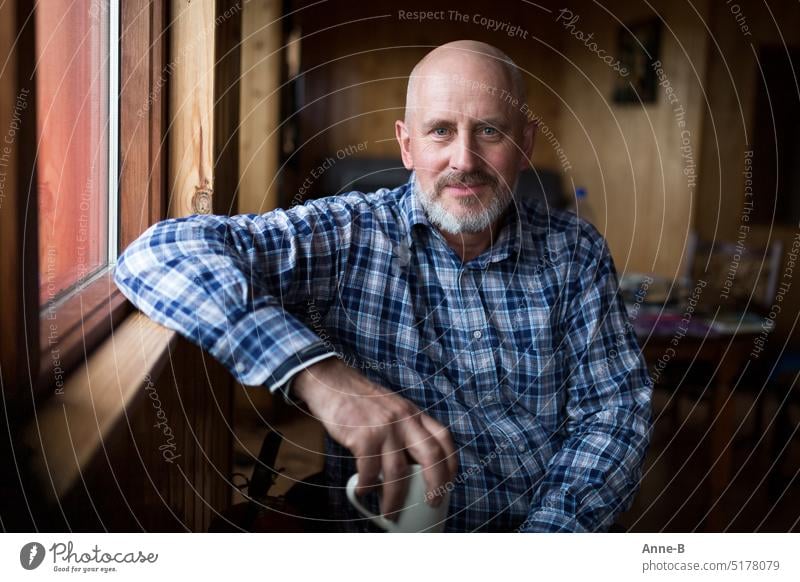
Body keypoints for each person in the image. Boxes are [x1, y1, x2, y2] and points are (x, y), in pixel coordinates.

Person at [114, 40, 652, 532]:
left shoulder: (575, 250)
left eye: (490, 130)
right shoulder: (349, 233)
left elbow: (612, 411)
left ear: (526, 142)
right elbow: (158, 254)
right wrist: (320, 376)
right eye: (440, 130)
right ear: (406, 145)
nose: (464, 160)